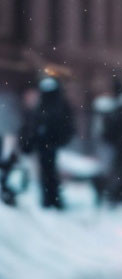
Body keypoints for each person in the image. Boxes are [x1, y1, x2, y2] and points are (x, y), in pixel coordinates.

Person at [19, 77, 74, 209]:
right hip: (46, 143)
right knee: (48, 171)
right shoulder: (51, 105)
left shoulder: (51, 105)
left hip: (48, 143)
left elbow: (34, 124)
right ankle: (51, 199)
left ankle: (51, 199)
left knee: (48, 172)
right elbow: (33, 124)